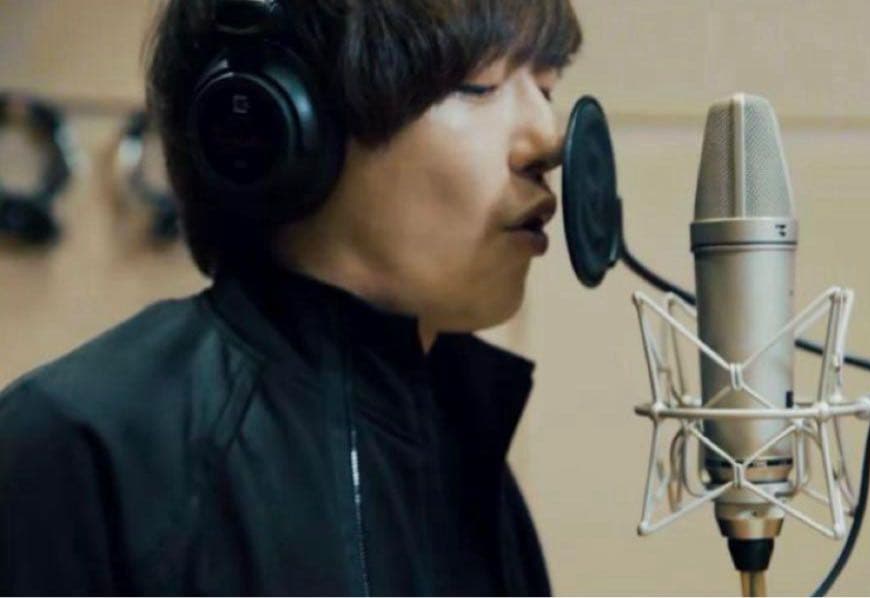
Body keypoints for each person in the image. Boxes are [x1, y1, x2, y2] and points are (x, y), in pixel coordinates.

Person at [0, 0, 581, 594]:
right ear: (281, 116)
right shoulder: (74, 447)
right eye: (478, 84)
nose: (548, 137)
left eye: (546, 88)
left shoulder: (467, 465)